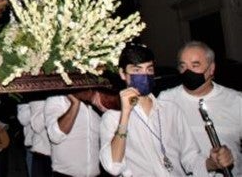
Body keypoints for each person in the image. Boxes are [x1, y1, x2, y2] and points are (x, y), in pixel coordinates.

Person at [99, 43, 232, 176]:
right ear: (123, 73)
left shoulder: (171, 110)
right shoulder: (112, 118)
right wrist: (125, 115)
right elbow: (113, 167)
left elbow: (190, 157)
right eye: (137, 70)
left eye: (149, 70)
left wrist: (212, 163)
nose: (144, 75)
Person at [158, 41, 240, 176]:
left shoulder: (236, 101)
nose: (187, 71)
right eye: (183, 66)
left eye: (195, 65)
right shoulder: (166, 100)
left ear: (211, 68)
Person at [44, 89, 101, 177]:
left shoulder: (97, 103)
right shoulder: (57, 100)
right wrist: (75, 104)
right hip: (65, 174)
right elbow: (55, 136)